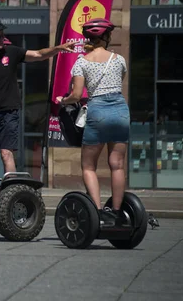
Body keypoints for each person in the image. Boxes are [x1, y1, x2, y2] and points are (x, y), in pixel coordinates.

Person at [0, 18, 75, 205]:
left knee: (7, 154)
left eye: (3, 35)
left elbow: (39, 54)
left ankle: (10, 198)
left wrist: (58, 48)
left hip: (10, 111)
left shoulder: (12, 52)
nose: (2, 39)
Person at [56, 18, 130, 227]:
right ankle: (116, 213)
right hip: (120, 110)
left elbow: (77, 94)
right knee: (117, 165)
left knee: (88, 166)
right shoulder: (119, 59)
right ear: (106, 37)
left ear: (89, 38)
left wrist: (64, 100)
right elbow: (118, 83)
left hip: (98, 111)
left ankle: (97, 213)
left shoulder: (82, 62)